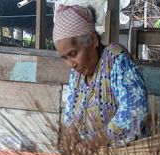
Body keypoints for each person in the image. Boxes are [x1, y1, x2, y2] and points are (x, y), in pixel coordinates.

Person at [53, 4, 148, 146]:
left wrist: (95, 142)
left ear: (93, 39)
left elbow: (135, 111)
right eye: (65, 58)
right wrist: (71, 132)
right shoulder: (76, 75)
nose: (70, 64)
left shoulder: (116, 61)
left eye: (73, 54)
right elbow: (69, 117)